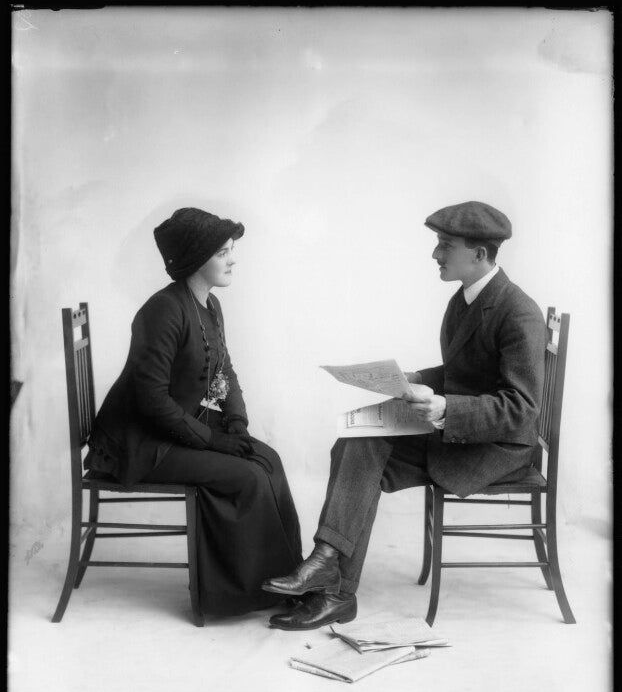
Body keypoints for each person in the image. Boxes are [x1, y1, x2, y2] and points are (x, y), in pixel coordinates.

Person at [263, 200, 546, 631]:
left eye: (445, 245)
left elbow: (522, 408)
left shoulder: (518, 311)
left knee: (363, 458)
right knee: (357, 444)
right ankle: (329, 575)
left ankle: (332, 583)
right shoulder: (467, 299)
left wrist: (447, 407)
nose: (435, 254)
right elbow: (465, 371)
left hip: (497, 448)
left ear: (479, 254)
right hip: (464, 433)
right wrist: (413, 379)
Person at [85, 207, 302, 617]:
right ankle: (246, 592)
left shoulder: (210, 304)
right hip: (140, 443)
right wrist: (213, 440)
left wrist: (236, 422)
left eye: (231, 250)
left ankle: (290, 577)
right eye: (223, 252)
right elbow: (151, 400)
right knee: (246, 476)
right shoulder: (163, 311)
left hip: (170, 427)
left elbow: (225, 369)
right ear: (196, 259)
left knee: (267, 458)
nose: (233, 260)